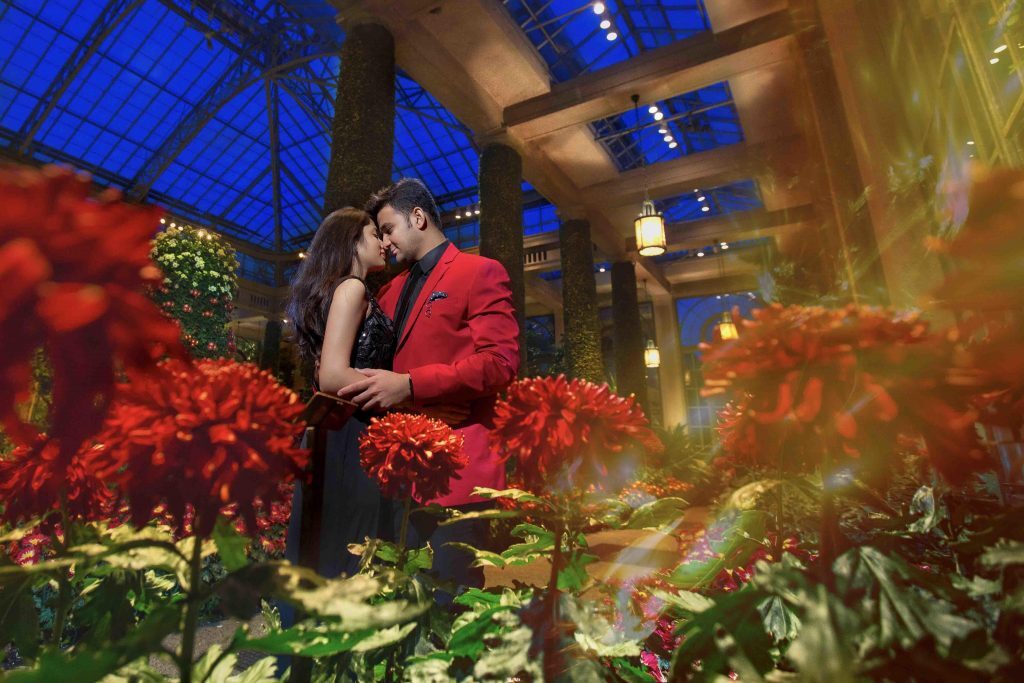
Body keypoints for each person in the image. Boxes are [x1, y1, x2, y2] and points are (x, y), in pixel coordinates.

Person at [338, 178, 520, 601]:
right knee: (401, 610)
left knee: (450, 603)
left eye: (387, 229)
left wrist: (413, 386)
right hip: (397, 475)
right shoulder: (389, 289)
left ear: (417, 217)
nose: (384, 242)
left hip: (458, 473)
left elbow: (500, 363)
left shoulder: (480, 272)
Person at [284, 206, 395, 581]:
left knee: (329, 549)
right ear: (352, 241)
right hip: (351, 435)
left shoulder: (344, 290)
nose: (383, 243)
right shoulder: (352, 287)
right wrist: (393, 390)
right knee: (352, 552)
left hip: (337, 434)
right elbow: (332, 375)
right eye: (373, 234)